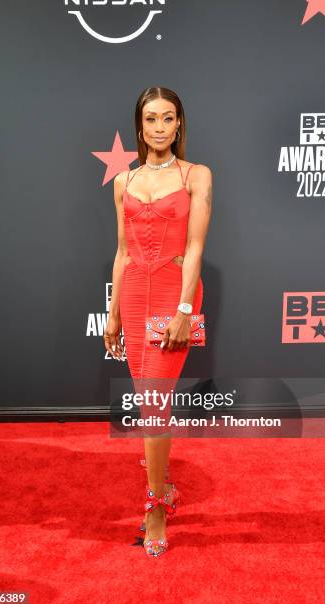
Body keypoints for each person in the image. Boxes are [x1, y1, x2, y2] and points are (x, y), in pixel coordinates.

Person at [104, 86, 212, 557]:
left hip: (173, 292)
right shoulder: (123, 181)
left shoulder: (197, 176)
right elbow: (123, 251)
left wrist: (186, 310)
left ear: (180, 123)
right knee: (149, 403)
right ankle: (163, 487)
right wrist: (112, 313)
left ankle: (154, 509)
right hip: (132, 294)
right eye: (151, 120)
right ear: (140, 125)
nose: (160, 128)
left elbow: (195, 250)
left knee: (152, 402)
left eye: (168, 119)